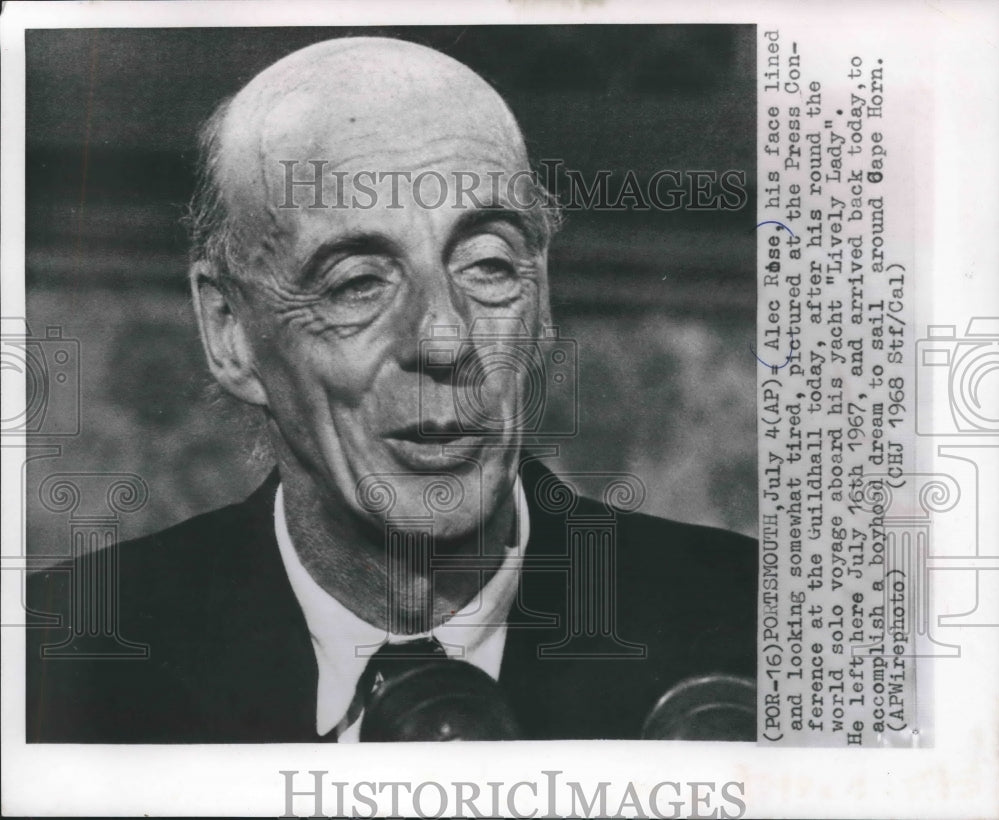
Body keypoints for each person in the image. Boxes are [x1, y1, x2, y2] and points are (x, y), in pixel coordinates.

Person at [26, 36, 756, 743]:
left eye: (488, 265)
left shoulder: (757, 629)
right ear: (230, 333)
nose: (443, 339)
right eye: (357, 284)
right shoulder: (56, 665)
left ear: (543, 300)